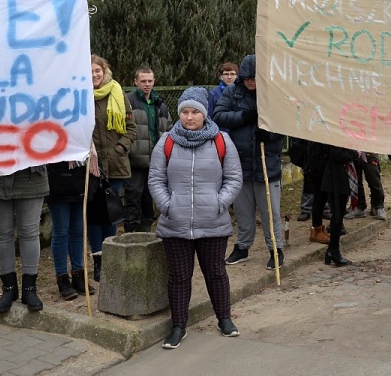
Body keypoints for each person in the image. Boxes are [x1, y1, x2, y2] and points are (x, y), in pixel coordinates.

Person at [149, 87, 243, 349]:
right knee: (179, 277)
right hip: (175, 223)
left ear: (205, 114)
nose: (189, 117)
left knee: (215, 273)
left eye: (195, 112)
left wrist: (219, 203)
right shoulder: (166, 141)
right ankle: (178, 326)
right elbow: (156, 179)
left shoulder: (221, 141)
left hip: (213, 222)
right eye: (184, 112)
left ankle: (224, 319)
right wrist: (167, 206)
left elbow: (234, 178)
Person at [213, 54, 287, 270]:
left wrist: (270, 135)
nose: (249, 82)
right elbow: (219, 115)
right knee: (243, 210)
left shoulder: (273, 94)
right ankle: (243, 247)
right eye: (246, 78)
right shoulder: (232, 92)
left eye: (253, 78)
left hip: (267, 162)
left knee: (269, 211)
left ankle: (276, 249)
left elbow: (284, 122)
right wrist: (244, 116)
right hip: (241, 162)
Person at [90, 55, 137, 281]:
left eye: (97, 70)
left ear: (104, 71)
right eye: (90, 71)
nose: (94, 75)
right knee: (93, 215)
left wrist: (120, 147)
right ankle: (97, 262)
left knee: (110, 214)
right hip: (90, 167)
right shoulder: (79, 96)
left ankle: (111, 258)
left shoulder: (117, 93)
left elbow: (131, 128)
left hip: (115, 164)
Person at [0, 166, 49, 312]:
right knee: (1, 234)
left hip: (31, 177)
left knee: (30, 233)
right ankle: (9, 288)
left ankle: (30, 288)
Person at [124, 66, 172, 233]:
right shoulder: (127, 102)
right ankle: (131, 237)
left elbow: (168, 130)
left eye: (150, 81)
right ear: (135, 81)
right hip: (134, 161)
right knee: (133, 200)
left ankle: (146, 235)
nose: (147, 84)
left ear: (154, 81)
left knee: (149, 200)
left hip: (155, 161)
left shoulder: (161, 105)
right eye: (143, 81)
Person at [305, 142, 360, 266]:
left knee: (337, 212)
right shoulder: (330, 130)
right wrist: (355, 153)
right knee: (337, 213)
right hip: (333, 174)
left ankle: (332, 250)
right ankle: (333, 251)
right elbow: (336, 152)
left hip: (332, 172)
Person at [46, 161, 90, 300]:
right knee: (61, 230)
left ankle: (78, 274)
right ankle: (62, 278)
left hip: (78, 179)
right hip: (57, 180)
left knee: (78, 230)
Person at [344, 152, 387, 220]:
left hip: (369, 152)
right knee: (356, 181)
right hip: (355, 153)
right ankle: (359, 206)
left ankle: (379, 207)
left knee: (374, 181)